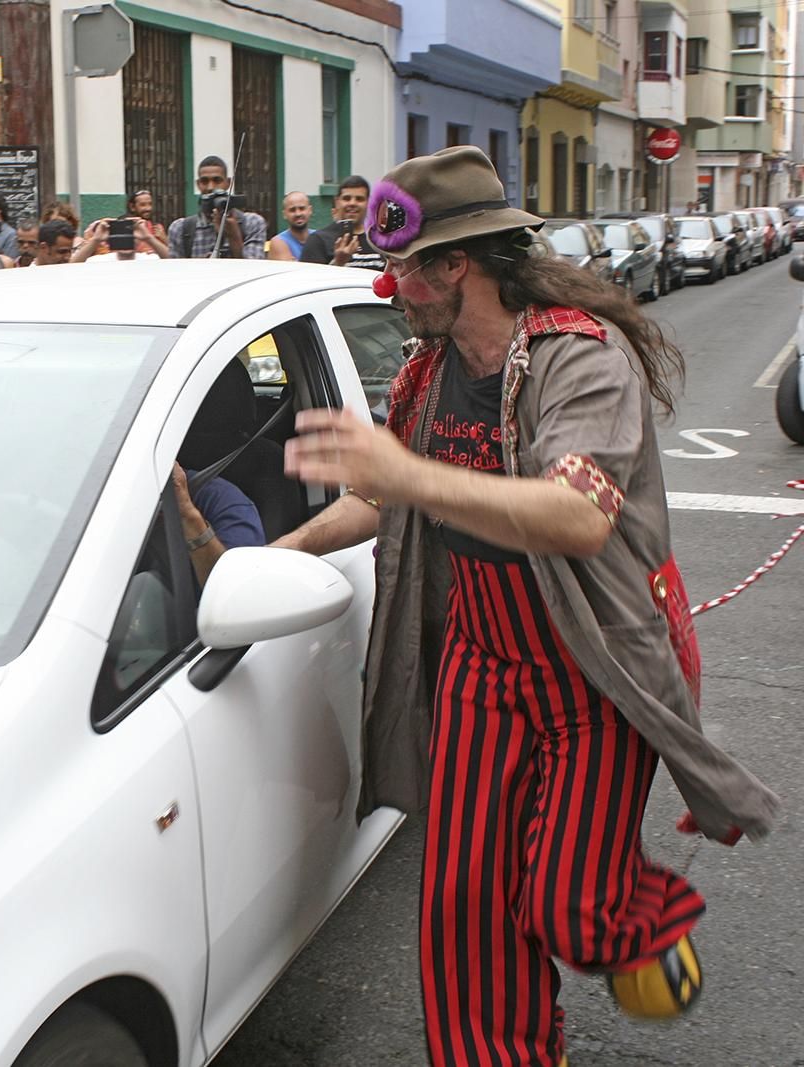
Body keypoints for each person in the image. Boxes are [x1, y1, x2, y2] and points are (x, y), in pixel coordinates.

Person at [276, 146, 779, 1065]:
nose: (391, 291)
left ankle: (636, 918)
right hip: (477, 657)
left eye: (401, 270)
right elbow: (383, 498)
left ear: (453, 265)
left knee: (566, 903)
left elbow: (577, 515)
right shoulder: (427, 376)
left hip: (591, 661)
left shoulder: (578, 358)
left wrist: (407, 471)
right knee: (463, 907)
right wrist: (280, 553)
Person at [166, 156, 267, 259]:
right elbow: (177, 272)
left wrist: (234, 236)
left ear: (228, 183)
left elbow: (254, 270)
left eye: (217, 180)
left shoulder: (252, 223)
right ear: (198, 184)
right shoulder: (180, 229)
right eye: (205, 181)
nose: (211, 187)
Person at [299, 176, 385, 270]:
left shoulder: (380, 240)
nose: (352, 203)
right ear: (337, 202)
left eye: (359, 199)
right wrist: (338, 262)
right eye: (347, 198)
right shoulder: (318, 240)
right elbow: (310, 280)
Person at [267, 191, 313, 261]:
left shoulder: (319, 237)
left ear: (310, 210)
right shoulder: (278, 242)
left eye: (302, 208)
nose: (298, 214)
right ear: (284, 214)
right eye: (292, 210)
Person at [127, 190, 170, 256]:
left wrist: (165, 239)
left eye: (150, 204)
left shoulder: (157, 228)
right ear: (132, 207)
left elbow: (172, 254)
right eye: (142, 205)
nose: (148, 208)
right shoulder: (124, 227)